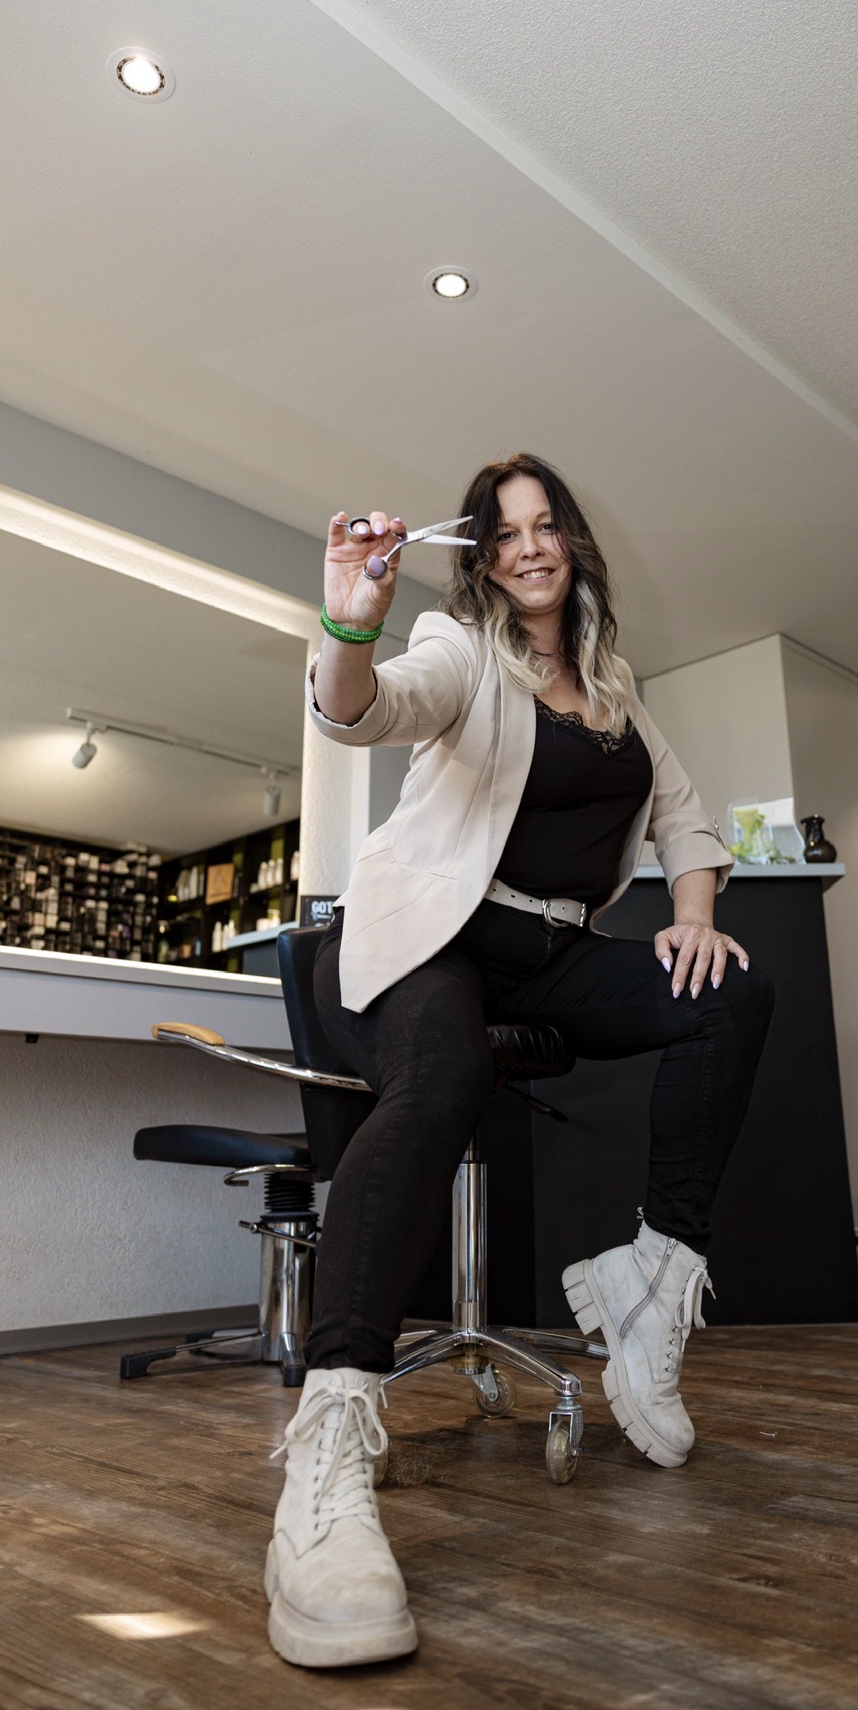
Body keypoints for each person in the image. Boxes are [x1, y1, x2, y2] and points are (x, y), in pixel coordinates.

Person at [265, 452, 774, 1670]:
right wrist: (350, 624)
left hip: (548, 953)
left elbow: (686, 817)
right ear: (482, 558)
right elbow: (367, 708)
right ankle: (329, 1450)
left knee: (730, 995)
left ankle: (648, 1283)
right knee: (442, 1078)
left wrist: (692, 915)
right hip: (432, 936)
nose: (530, 546)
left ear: (572, 541)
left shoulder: (615, 684)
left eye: (547, 525)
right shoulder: (460, 647)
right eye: (504, 532)